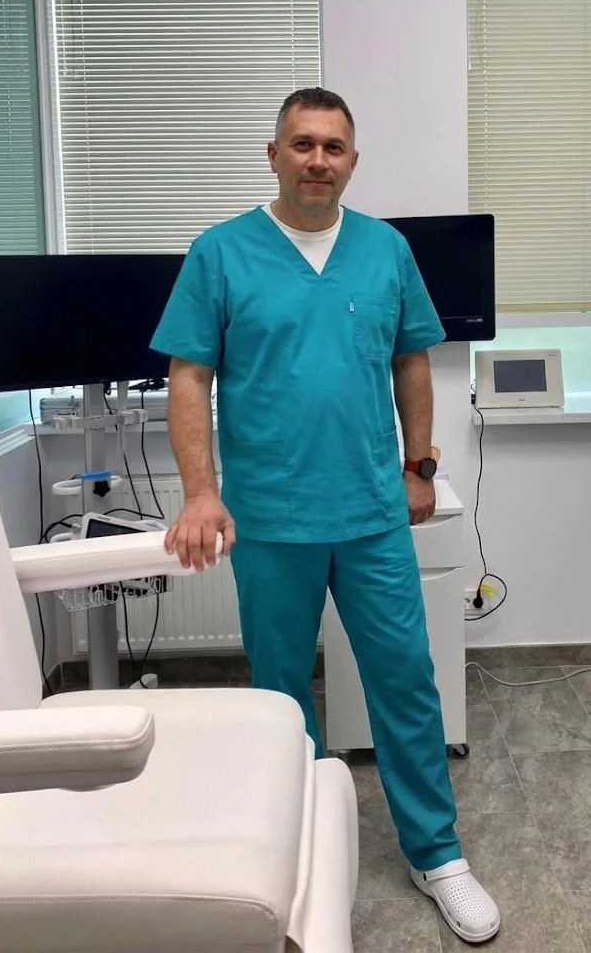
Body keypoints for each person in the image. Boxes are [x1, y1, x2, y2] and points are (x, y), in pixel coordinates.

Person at [150, 87, 500, 945]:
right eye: (302, 144)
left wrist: (420, 466)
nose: (317, 159)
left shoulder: (385, 250)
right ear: (273, 154)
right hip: (271, 519)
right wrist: (202, 493)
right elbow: (188, 377)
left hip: (373, 512)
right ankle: (297, 843)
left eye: (333, 146)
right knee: (278, 697)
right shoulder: (221, 253)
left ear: (352, 159)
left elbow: (413, 360)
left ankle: (436, 852)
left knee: (406, 684)